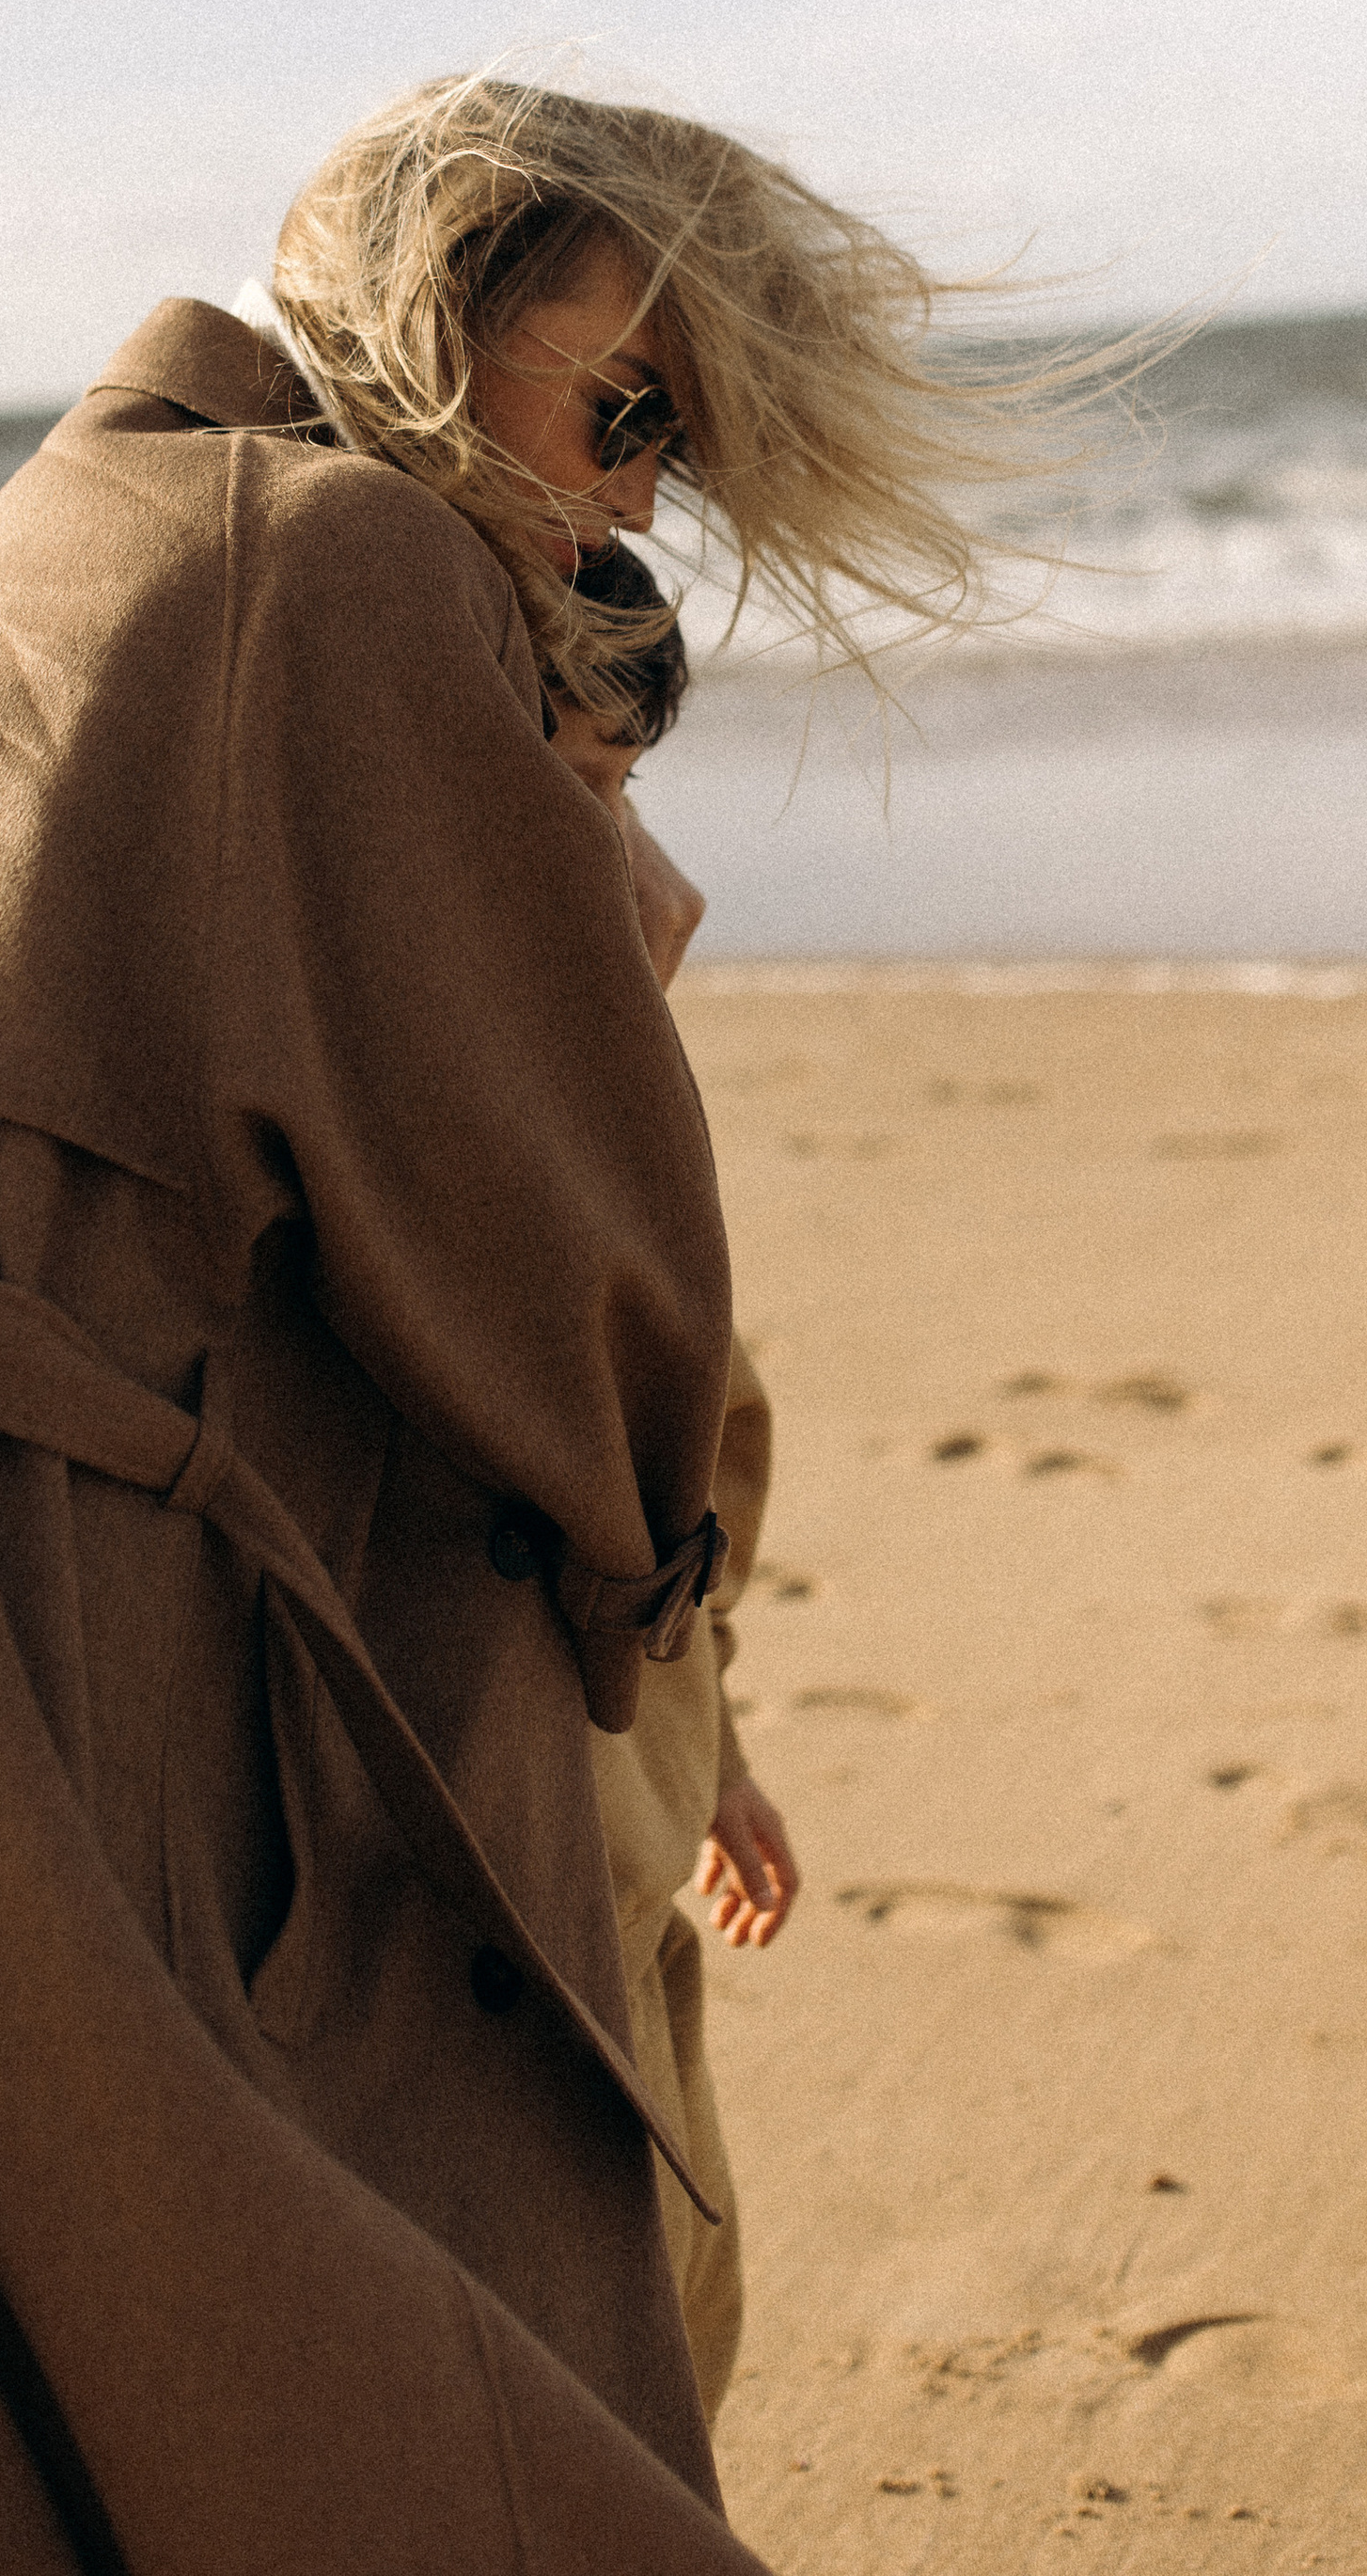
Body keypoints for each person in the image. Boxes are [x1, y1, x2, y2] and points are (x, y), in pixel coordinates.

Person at [0, 76, 1034, 2576]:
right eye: (618, 414)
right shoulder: (345, 565)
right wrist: (661, 1621)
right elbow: (558, 1253)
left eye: (668, 458)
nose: (621, 507)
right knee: (354, 2417)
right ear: (429, 296)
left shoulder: (93, 506)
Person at [533, 536, 798, 2423]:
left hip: (643, 1768)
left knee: (680, 2304)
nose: (668, 895)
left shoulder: (593, 1088)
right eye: (580, 788)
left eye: (636, 788)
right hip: (521, 1852)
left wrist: (724, 1741)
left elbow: (679, 1442)